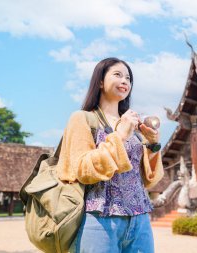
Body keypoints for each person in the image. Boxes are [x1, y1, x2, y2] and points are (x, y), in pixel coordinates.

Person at [57, 57, 164, 253]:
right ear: (99, 81)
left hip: (140, 220)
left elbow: (149, 180)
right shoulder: (82, 118)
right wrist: (121, 135)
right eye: (117, 75)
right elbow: (83, 169)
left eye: (128, 78)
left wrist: (153, 144)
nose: (125, 81)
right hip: (100, 219)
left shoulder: (134, 127)